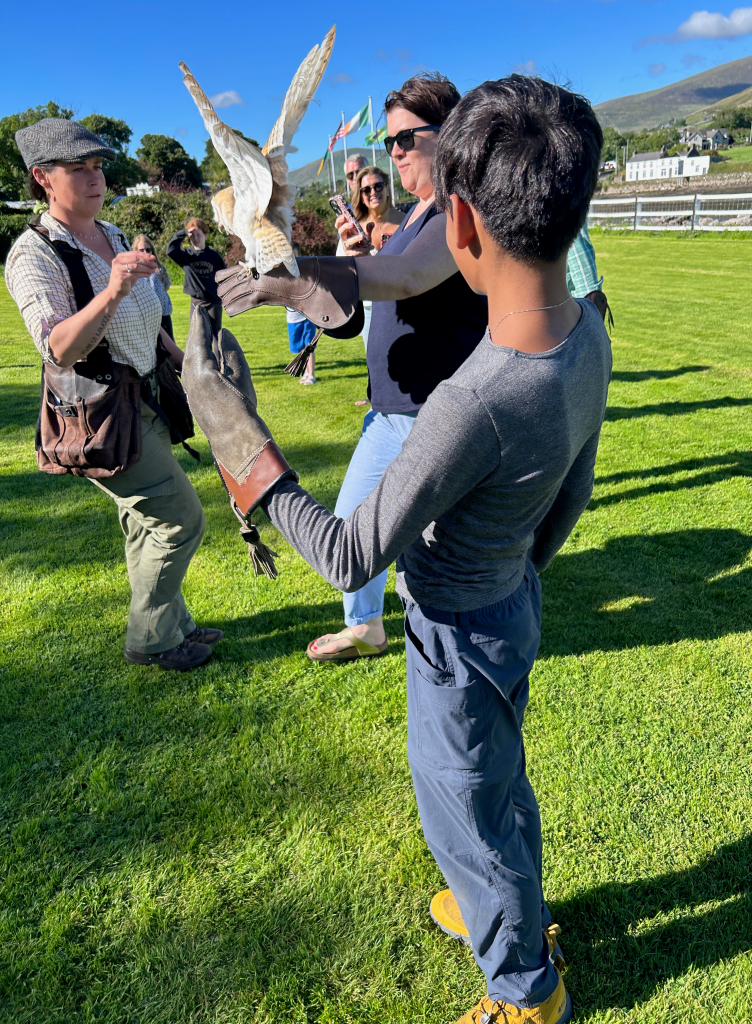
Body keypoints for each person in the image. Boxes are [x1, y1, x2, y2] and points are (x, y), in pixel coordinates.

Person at [187, 73, 610, 1022]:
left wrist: (240, 443)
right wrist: (518, 569)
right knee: (496, 782)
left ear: (459, 226)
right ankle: (507, 907)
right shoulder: (587, 335)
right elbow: (575, 489)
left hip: (457, 628)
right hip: (509, 602)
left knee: (461, 807)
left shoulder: (472, 399)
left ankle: (526, 991)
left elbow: (349, 557)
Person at [5, 118, 221, 670]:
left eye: (98, 165)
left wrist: (183, 359)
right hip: (99, 412)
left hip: (146, 400)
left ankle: (176, 624)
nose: (95, 177)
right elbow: (58, 348)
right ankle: (151, 638)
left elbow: (147, 318)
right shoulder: (33, 253)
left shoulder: (114, 234)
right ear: (42, 177)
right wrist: (113, 288)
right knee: (180, 519)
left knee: (145, 523)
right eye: (78, 168)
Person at [316, 73, 489, 661]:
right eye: (389, 141)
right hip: (389, 410)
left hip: (435, 411)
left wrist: (304, 270)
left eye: (405, 139)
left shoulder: (457, 208)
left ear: (450, 133)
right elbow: (389, 284)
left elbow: (411, 277)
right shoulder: (415, 214)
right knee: (351, 528)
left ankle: (444, 640)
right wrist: (358, 259)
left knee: (431, 545)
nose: (393, 151)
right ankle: (365, 625)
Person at [349, 165, 405, 358]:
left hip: (402, 306)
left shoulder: (406, 223)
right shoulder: (353, 229)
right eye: (366, 189)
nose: (373, 192)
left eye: (378, 186)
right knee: (376, 363)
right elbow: (344, 270)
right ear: (361, 195)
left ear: (387, 188)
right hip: (368, 309)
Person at [166, 217, 226, 333]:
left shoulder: (214, 256)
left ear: (206, 235)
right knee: (197, 334)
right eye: (192, 236)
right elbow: (170, 250)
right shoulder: (186, 255)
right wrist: (183, 233)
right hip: (196, 301)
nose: (195, 238)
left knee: (216, 334)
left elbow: (223, 276)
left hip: (213, 301)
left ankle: (217, 347)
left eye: (198, 235)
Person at [286, 242, 318, 384]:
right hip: (292, 317)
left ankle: (311, 375)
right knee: (299, 348)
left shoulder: (305, 272)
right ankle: (305, 373)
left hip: (307, 316)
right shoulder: (285, 273)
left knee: (308, 346)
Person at [132, 233, 174, 338]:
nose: (145, 252)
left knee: (168, 341)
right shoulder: (134, 270)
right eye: (141, 250)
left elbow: (166, 286)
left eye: (148, 249)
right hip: (146, 313)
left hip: (163, 311)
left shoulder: (158, 268)